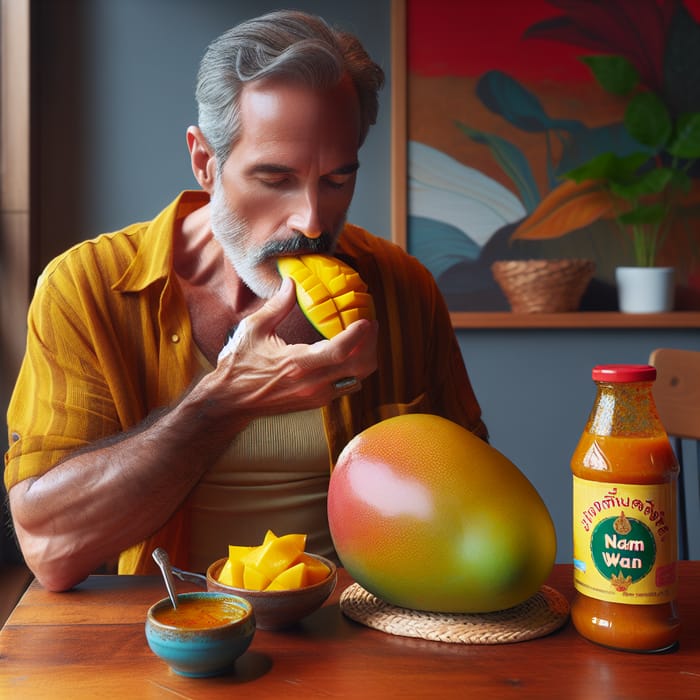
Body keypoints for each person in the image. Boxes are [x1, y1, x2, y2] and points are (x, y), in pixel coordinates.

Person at [4, 10, 487, 592]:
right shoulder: (86, 287)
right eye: (275, 178)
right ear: (205, 160)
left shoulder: (403, 288)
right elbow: (50, 550)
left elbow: (472, 516)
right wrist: (223, 402)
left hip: (361, 629)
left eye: (336, 180)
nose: (311, 219)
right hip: (166, 635)